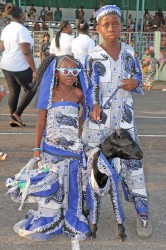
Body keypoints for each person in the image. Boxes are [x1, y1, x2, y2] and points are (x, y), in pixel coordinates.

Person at [82, 5, 152, 238]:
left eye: (115, 23)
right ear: (99, 29)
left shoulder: (130, 52)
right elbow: (89, 86)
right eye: (106, 25)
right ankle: (87, 213)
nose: (111, 28)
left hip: (125, 122)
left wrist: (135, 83)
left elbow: (139, 77)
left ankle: (143, 216)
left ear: (122, 26)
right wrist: (93, 105)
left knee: (133, 167)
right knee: (93, 166)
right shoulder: (92, 56)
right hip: (98, 124)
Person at [5, 54, 91, 241]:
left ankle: (70, 217)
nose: (70, 74)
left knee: (72, 186)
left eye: (74, 70)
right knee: (52, 185)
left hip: (73, 150)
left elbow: (86, 113)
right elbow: (41, 121)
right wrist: (37, 148)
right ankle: (51, 218)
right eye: (66, 70)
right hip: (51, 150)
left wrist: (79, 128)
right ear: (56, 72)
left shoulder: (78, 94)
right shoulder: (49, 93)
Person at [0, 5, 37, 127]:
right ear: (21, 15)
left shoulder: (7, 28)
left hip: (6, 65)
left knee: (14, 91)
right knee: (31, 88)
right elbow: (26, 52)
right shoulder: (22, 30)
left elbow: (1, 47)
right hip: (18, 66)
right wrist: (34, 70)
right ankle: (17, 114)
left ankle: (13, 118)